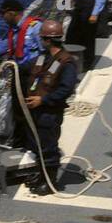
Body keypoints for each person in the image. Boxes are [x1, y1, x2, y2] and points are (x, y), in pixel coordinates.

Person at [19, 19, 78, 194]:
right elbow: (25, 69)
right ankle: (41, 174)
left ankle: (50, 182)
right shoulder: (43, 58)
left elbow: (66, 89)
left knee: (48, 147)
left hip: (49, 113)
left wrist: (43, 101)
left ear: (47, 40)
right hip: (35, 112)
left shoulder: (66, 62)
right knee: (36, 145)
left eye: (42, 38)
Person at [0, 0, 42, 69]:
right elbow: (3, 45)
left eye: (3, 14)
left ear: (12, 13)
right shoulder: (13, 30)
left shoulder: (36, 27)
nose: (2, 17)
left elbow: (46, 52)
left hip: (34, 71)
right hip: (20, 71)